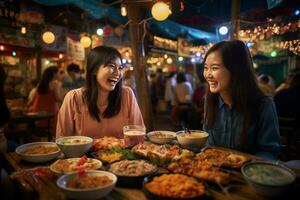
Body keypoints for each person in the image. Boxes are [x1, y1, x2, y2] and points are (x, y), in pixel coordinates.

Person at [203, 40, 280, 160]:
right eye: (205, 68)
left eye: (214, 68)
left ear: (236, 70)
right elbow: (209, 144)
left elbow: (269, 151)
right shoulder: (211, 101)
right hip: (214, 170)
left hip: (249, 173)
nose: (208, 74)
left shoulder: (263, 104)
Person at [56, 46, 144, 138]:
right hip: (82, 153)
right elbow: (62, 139)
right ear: (94, 70)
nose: (118, 73)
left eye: (120, 68)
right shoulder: (73, 98)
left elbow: (138, 134)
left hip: (120, 152)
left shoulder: (127, 95)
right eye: (112, 66)